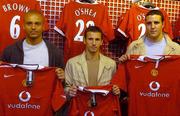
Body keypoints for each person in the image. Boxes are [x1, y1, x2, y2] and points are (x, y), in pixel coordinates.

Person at [0, 10, 64, 79]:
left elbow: (60, 82)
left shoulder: (55, 52)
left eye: (37, 24)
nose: (33, 27)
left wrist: (62, 77)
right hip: (18, 89)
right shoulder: (9, 51)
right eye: (29, 23)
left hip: (44, 89)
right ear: (24, 26)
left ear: (43, 27)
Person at [64, 26, 120, 97]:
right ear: (84, 40)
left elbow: (115, 89)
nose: (94, 43)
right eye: (90, 39)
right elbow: (65, 88)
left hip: (102, 106)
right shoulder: (72, 63)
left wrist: (117, 92)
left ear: (101, 42)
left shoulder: (111, 64)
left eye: (97, 39)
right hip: (80, 106)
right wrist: (69, 91)